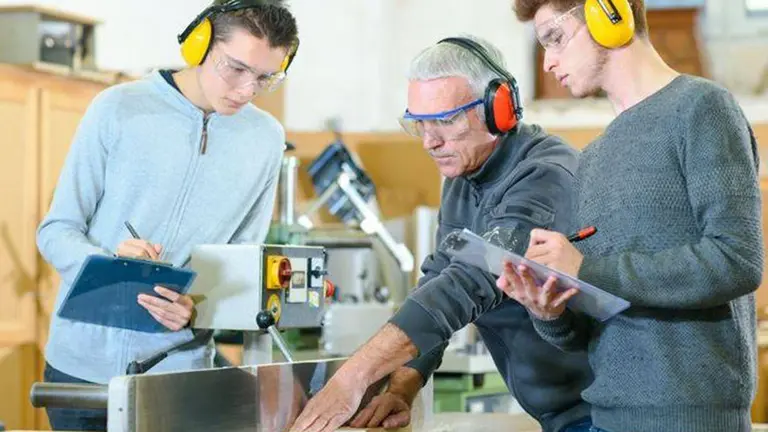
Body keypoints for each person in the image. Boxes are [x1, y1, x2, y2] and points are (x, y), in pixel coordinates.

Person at [290, 35, 594, 432]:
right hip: (558, 414)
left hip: (600, 412)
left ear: (498, 109)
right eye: (420, 123)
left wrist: (353, 378)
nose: (430, 141)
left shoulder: (545, 174)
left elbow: (472, 280)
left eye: (446, 121)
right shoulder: (462, 175)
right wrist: (402, 386)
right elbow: (440, 276)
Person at [494, 1, 764, 432]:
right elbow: (591, 327)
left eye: (555, 38)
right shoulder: (592, 159)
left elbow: (737, 260)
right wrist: (550, 311)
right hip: (605, 419)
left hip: (691, 422)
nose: (548, 63)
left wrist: (587, 269)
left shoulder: (703, 109)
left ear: (609, 15)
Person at [36, 0, 299, 430]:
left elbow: (245, 261)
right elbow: (56, 230)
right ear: (200, 44)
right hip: (81, 372)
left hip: (180, 378)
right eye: (235, 68)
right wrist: (109, 266)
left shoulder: (265, 140)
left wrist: (197, 308)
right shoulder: (117, 108)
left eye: (265, 78)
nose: (246, 90)